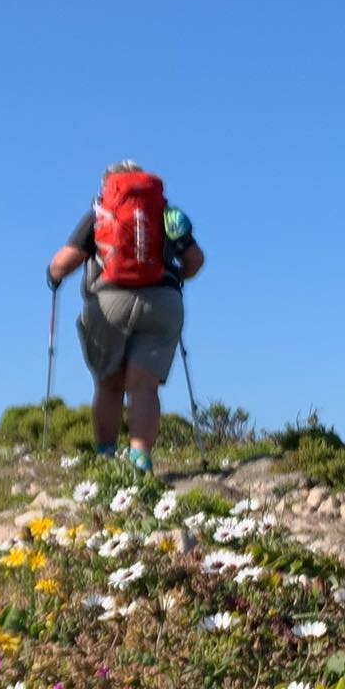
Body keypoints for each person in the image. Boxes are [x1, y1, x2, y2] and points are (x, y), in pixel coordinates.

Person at [46, 161, 204, 473]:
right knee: (144, 386)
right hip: (162, 303)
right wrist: (175, 276)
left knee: (108, 383)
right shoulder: (168, 215)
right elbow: (195, 261)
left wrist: (52, 276)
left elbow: (63, 263)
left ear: (109, 185)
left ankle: (106, 456)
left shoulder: (101, 213)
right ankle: (141, 459)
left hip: (109, 302)